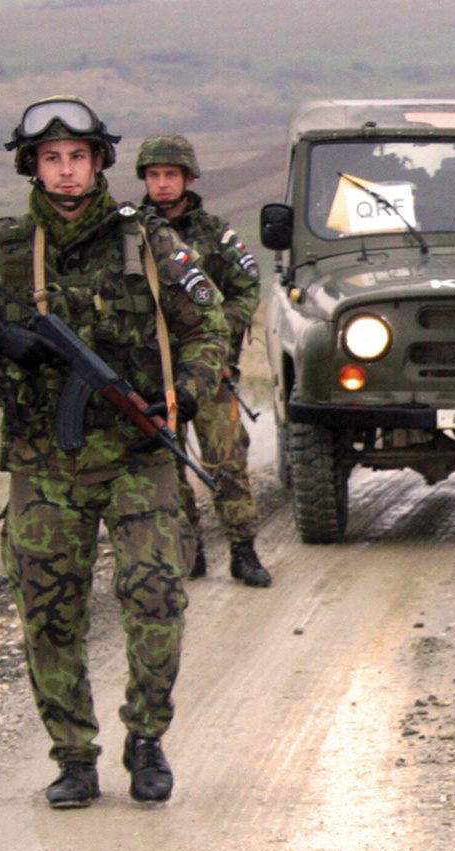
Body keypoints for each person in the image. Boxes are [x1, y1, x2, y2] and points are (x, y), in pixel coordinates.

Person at [0, 97, 230, 808]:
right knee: (49, 613)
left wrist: (185, 393)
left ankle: (147, 737)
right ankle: (73, 757)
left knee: (156, 597)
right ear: (31, 166)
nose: (65, 172)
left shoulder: (151, 243)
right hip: (43, 465)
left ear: (99, 162)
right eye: (50, 159)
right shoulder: (4, 249)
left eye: (77, 157)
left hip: (137, 455)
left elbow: (209, 325)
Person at [136, 132, 271, 587]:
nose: (162, 184)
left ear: (188, 178)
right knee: (166, 470)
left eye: (170, 175)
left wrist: (213, 329)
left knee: (226, 461)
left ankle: (243, 550)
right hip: (153, 376)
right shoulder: (129, 234)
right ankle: (188, 551)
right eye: (154, 176)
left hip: (211, 373)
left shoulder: (214, 232)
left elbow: (247, 289)